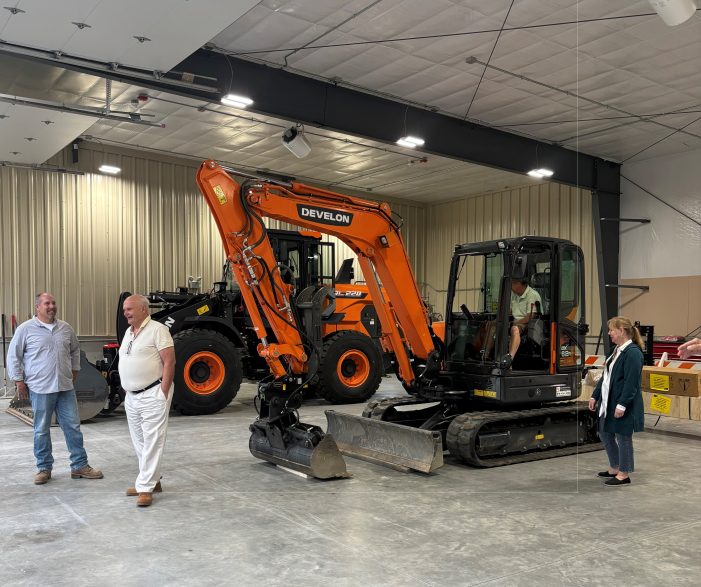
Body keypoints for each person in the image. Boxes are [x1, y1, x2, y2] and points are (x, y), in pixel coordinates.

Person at [7, 293, 103, 484]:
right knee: (41, 429)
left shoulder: (65, 328)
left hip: (65, 387)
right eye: (47, 303)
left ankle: (79, 466)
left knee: (73, 427)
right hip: (40, 388)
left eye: (53, 303)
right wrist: (18, 380)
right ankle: (44, 468)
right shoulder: (25, 329)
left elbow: (75, 350)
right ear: (38, 307)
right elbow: (13, 355)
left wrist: (75, 369)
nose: (51, 306)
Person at [118, 294, 175, 507]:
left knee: (152, 441)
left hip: (153, 393)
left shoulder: (158, 330)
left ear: (144, 309)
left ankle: (145, 488)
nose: (126, 313)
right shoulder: (128, 332)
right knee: (140, 441)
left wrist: (163, 391)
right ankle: (152, 481)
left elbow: (170, 361)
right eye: (125, 310)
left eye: (130, 309)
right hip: (132, 396)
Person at [588, 316, 644, 486]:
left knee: (623, 437)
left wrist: (622, 404)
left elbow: (631, 382)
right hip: (607, 402)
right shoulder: (615, 351)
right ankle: (614, 467)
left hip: (622, 404)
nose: (610, 333)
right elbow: (606, 377)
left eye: (612, 330)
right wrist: (595, 395)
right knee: (604, 433)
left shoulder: (633, 353)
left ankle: (624, 474)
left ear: (622, 331)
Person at [507, 278, 542, 362]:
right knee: (492, 325)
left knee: (514, 329)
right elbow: (509, 311)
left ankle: (509, 359)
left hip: (527, 323)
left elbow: (530, 317)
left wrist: (514, 323)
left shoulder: (532, 295)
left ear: (519, 283)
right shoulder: (514, 294)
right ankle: (484, 355)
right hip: (515, 321)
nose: (510, 287)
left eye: (512, 284)